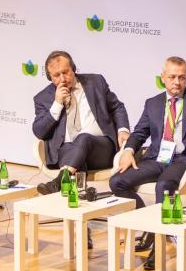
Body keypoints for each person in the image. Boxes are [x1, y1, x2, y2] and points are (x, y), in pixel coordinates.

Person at [111, 56, 186, 270]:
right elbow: (139, 133)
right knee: (117, 181)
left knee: (164, 186)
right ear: (163, 77)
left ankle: (158, 248)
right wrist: (129, 150)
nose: (177, 82)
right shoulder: (153, 103)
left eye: (182, 77)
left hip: (185, 159)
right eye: (172, 77)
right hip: (158, 158)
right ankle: (150, 228)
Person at [33, 50, 130, 195]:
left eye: (65, 72)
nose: (62, 79)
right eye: (56, 75)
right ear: (50, 77)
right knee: (75, 158)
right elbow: (39, 131)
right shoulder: (43, 98)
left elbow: (117, 107)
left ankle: (59, 181)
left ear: (73, 68)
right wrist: (57, 104)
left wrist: (123, 130)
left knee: (83, 138)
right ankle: (79, 202)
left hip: (100, 148)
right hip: (67, 151)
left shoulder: (96, 82)